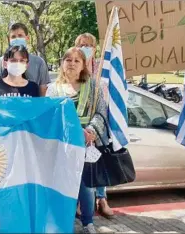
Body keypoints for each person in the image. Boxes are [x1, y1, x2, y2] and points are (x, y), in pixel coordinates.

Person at [46, 47, 109, 234]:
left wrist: (90, 130)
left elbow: (101, 113)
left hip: (84, 144)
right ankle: (60, 221)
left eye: (77, 60)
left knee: (85, 187)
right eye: (68, 60)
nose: (72, 63)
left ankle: (88, 222)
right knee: (60, 184)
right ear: (62, 64)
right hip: (60, 146)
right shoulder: (53, 89)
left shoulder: (94, 88)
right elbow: (48, 116)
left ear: (83, 65)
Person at [75, 33, 114, 219]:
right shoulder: (75, 64)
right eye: (82, 44)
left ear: (95, 47)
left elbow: (107, 96)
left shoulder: (102, 68)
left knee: (97, 164)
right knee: (79, 167)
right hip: (79, 127)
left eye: (89, 45)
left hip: (97, 126)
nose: (85, 47)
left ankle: (102, 199)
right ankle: (79, 202)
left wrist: (93, 129)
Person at [0, 22, 50, 96]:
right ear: (9, 39)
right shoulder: (0, 62)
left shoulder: (39, 62)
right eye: (13, 37)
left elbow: (42, 89)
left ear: (27, 38)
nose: (17, 39)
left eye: (20, 36)